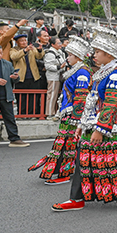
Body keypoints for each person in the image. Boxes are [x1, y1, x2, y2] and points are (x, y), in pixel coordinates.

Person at [51, 27, 117, 211]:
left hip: (108, 127)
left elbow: (112, 103)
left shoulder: (115, 74)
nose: (94, 55)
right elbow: (90, 101)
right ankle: (77, 198)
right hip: (92, 124)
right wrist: (81, 124)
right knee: (85, 160)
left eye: (98, 52)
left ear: (109, 54)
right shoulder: (101, 72)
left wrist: (100, 129)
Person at [29, 36, 91, 184]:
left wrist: (76, 118)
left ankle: (65, 173)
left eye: (70, 55)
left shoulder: (82, 72)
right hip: (67, 111)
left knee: (68, 145)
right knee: (64, 144)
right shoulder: (76, 69)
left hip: (72, 114)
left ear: (78, 57)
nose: (67, 58)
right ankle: (64, 171)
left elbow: (81, 97)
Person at [10, 33, 45, 115]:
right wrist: (25, 50)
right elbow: (14, 57)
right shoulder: (14, 50)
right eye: (21, 41)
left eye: (25, 40)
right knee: (21, 97)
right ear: (17, 42)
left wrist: (40, 49)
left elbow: (39, 56)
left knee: (34, 97)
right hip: (21, 77)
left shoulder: (31, 49)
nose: (24, 42)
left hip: (34, 76)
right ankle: (22, 113)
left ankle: (33, 113)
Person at [43, 36, 65, 117]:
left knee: (55, 95)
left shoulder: (59, 52)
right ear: (52, 44)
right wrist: (59, 67)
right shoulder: (50, 53)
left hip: (57, 76)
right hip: (53, 77)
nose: (60, 44)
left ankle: (52, 112)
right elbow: (48, 66)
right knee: (51, 95)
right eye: (58, 43)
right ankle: (49, 113)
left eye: (60, 42)